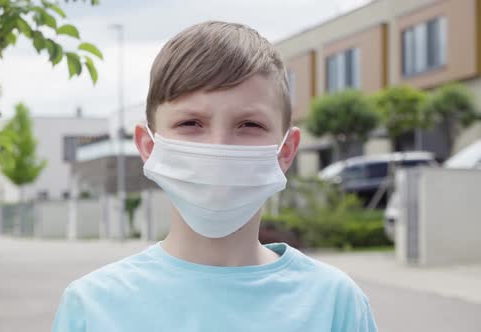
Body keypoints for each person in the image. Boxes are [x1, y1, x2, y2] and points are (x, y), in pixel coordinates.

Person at [51, 21, 378, 332]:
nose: (219, 147)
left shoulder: (334, 303)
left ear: (286, 150)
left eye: (250, 125)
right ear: (149, 146)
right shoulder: (92, 307)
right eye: (190, 124)